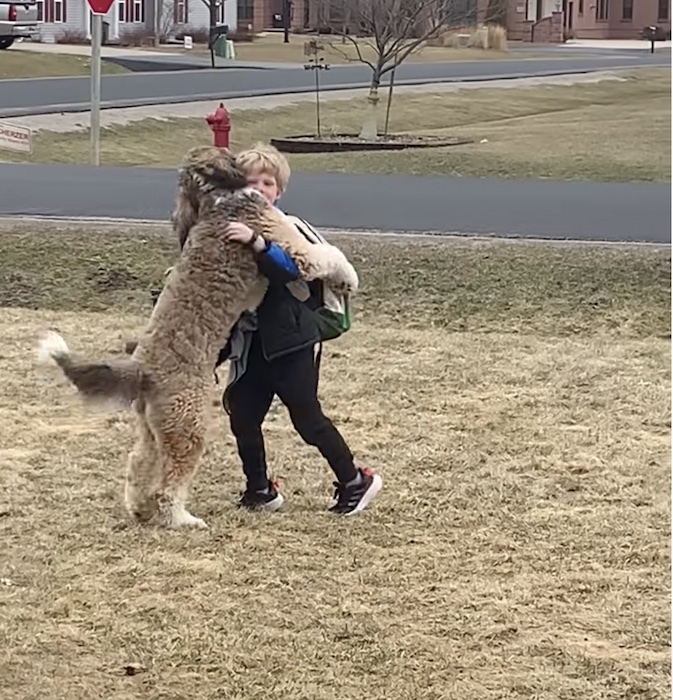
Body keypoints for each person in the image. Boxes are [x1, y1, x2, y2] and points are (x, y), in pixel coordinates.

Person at [219, 143, 382, 516]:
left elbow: (295, 269)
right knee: (243, 415)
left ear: (279, 191)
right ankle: (259, 489)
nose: (259, 189)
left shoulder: (288, 227)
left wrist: (259, 244)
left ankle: (355, 480)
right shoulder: (228, 227)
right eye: (250, 182)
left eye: (268, 183)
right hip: (254, 343)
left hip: (293, 339)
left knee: (307, 419)